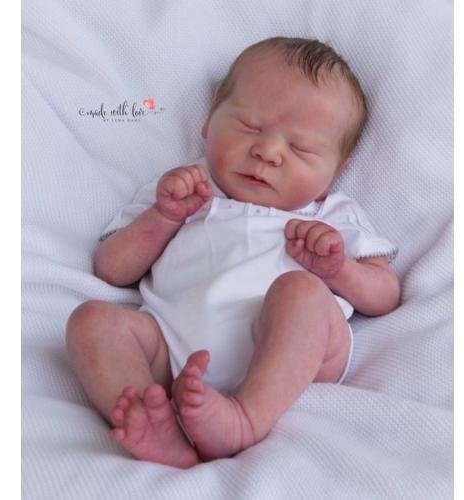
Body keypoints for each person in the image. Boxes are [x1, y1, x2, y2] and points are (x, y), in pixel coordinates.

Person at [66, 37, 400, 468]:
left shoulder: (331, 213)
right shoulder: (181, 188)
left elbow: (385, 294)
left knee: (300, 291)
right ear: (210, 120)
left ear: (336, 170)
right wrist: (164, 217)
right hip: (171, 349)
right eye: (249, 126)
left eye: (301, 149)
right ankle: (156, 421)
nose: (268, 151)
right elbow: (111, 268)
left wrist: (339, 270)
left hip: (288, 355)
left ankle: (246, 418)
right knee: (91, 321)